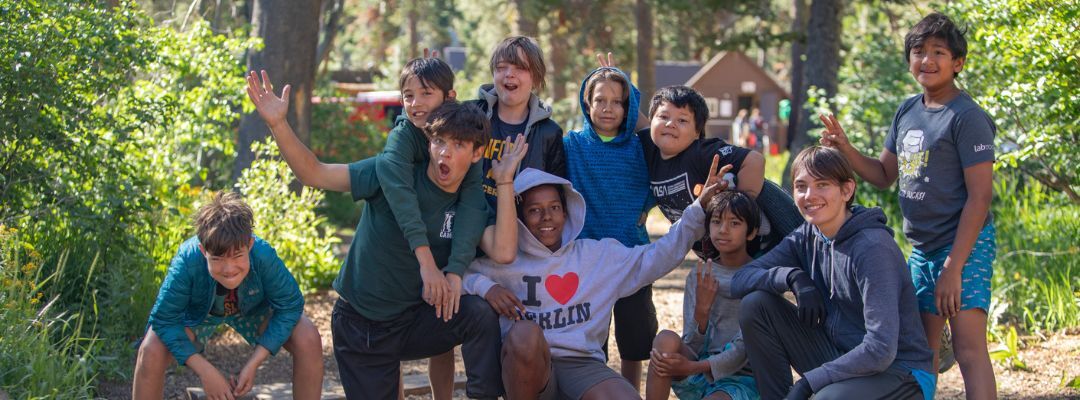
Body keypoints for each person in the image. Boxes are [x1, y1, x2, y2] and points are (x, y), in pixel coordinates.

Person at [247, 72, 517, 399]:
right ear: (428, 140)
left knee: (478, 315)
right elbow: (314, 173)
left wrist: (504, 183)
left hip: (415, 319)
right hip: (363, 326)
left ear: (476, 154)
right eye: (439, 142)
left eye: (457, 144)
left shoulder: (469, 199)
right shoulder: (388, 174)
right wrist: (278, 123)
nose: (444, 153)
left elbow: (503, 251)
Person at [819, 12, 997, 399]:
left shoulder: (968, 118)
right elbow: (884, 174)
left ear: (958, 63)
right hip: (922, 249)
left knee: (967, 349)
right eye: (919, 52)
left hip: (966, 246)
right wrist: (845, 149)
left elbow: (980, 197)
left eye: (939, 52)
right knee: (922, 351)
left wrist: (953, 268)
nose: (927, 60)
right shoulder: (907, 111)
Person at [463, 158, 729, 400]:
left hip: (583, 365)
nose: (547, 217)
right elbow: (459, 276)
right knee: (524, 334)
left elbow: (658, 256)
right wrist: (487, 288)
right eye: (534, 210)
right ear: (519, 218)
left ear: (566, 212)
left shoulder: (598, 256)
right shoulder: (505, 262)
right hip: (530, 371)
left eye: (554, 207)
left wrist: (698, 209)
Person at [731, 146, 934, 400]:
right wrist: (793, 278)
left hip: (899, 372)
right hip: (840, 356)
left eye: (822, 185)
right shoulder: (807, 236)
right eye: (801, 186)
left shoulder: (872, 247)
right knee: (756, 304)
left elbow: (881, 349)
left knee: (825, 399)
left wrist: (808, 383)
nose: (809, 195)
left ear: (846, 190)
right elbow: (739, 280)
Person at [372, 55, 494, 399]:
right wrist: (424, 259)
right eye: (408, 95)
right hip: (405, 241)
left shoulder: (461, 131)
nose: (416, 104)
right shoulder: (402, 138)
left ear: (449, 97)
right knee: (391, 330)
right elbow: (401, 197)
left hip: (444, 234)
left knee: (443, 319)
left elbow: (472, 203)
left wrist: (455, 269)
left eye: (426, 94)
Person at [133, 192, 323, 400]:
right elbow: (164, 319)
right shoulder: (187, 260)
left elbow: (290, 305)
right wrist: (206, 371)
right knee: (151, 348)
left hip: (252, 312)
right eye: (217, 258)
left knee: (308, 336)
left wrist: (254, 363)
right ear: (203, 250)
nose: (229, 268)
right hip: (197, 317)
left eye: (237, 256)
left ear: (249, 245)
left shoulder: (263, 255)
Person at [563, 63, 655, 389]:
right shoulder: (571, 145)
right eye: (600, 99)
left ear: (628, 108)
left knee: (635, 337)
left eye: (618, 102)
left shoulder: (641, 147)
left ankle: (630, 392)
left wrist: (622, 79)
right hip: (587, 257)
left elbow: (662, 165)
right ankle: (596, 392)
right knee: (591, 338)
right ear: (586, 103)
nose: (608, 108)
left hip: (631, 253)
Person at [639, 85, 802, 258]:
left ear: (697, 132)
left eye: (682, 120)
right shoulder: (651, 149)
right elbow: (633, 116)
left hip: (760, 248)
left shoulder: (701, 152)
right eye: (663, 116)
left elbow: (755, 160)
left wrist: (737, 210)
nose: (670, 124)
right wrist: (615, 78)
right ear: (652, 122)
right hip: (716, 255)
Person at [646, 190, 761, 400]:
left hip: (740, 379)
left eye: (734, 223)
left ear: (751, 232)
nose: (723, 230)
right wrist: (701, 314)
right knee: (665, 340)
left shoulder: (758, 278)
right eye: (716, 222)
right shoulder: (699, 275)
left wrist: (693, 367)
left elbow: (743, 351)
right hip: (697, 371)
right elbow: (691, 344)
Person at [472, 35, 567, 206]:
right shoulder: (469, 115)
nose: (509, 74)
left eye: (520, 68)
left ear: (536, 78)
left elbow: (555, 197)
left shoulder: (550, 134)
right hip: (471, 223)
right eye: (501, 67)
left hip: (521, 227)